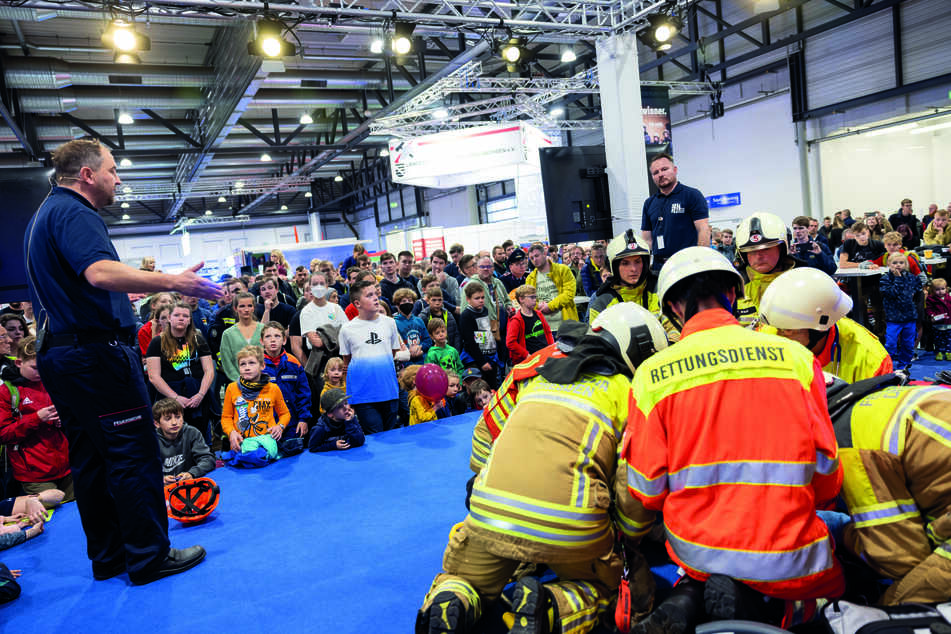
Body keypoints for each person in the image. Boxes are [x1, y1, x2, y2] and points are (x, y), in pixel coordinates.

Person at [25, 138, 216, 584]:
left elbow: (83, 283)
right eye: (112, 170)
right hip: (96, 358)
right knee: (132, 454)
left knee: (90, 459)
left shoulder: (45, 215)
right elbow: (98, 272)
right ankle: (149, 556)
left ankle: (109, 557)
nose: (118, 178)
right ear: (87, 175)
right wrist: (171, 280)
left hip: (66, 355)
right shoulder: (74, 211)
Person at [625, 247, 844, 632]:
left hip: (699, 550)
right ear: (733, 294)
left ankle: (694, 594)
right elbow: (826, 472)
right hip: (791, 553)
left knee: (704, 566)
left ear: (674, 308)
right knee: (839, 580)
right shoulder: (795, 359)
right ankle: (775, 611)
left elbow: (647, 488)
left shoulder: (650, 376)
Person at [416, 303, 667, 634]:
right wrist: (628, 538)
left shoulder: (539, 374)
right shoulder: (629, 391)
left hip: (488, 508)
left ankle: (452, 600)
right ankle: (550, 609)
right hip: (570, 524)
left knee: (464, 576)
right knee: (616, 589)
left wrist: (480, 483)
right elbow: (632, 481)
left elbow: (486, 429)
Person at [830, 382, 951, 604]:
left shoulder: (850, 445)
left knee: (889, 612)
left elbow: (899, 560)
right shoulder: (887, 402)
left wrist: (843, 532)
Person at [758, 268, 893, 383]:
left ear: (819, 330)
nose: (779, 336)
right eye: (778, 328)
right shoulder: (766, 334)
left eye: (787, 330)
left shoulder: (870, 360)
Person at [0, 336, 73, 500]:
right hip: (33, 474)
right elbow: (3, 434)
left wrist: (63, 421)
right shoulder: (7, 392)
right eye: (35, 368)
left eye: (44, 367)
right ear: (19, 363)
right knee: (49, 519)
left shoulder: (53, 383)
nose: (41, 373)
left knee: (75, 514)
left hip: (67, 466)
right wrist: (36, 418)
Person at [338, 280, 402, 434]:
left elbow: (392, 353)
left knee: (391, 436)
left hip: (389, 390)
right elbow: (347, 362)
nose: (376, 298)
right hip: (363, 394)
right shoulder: (347, 329)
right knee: (376, 437)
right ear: (357, 303)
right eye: (369, 295)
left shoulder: (390, 323)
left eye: (376, 294)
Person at [145, 302, 215, 441]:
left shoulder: (198, 339)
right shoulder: (157, 342)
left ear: (190, 320)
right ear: (169, 318)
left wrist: (200, 394)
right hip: (169, 398)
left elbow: (209, 371)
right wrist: (175, 398)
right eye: (177, 315)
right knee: (173, 438)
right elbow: (154, 376)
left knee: (198, 435)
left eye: (185, 316)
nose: (181, 318)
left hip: (197, 395)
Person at [640, 153, 711, 272]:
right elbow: (647, 240)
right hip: (659, 267)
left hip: (688, 265)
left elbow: (703, 230)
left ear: (675, 170)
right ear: (652, 177)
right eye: (656, 173)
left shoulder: (692, 195)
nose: (660, 174)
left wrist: (701, 262)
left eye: (664, 169)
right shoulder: (649, 203)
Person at [732, 212, 801, 327]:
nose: (759, 256)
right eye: (752, 250)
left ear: (781, 248)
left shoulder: (802, 280)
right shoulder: (733, 286)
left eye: (766, 249)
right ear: (743, 254)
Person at [221, 345, 290, 452]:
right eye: (242, 364)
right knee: (250, 454)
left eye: (251, 363)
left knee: (259, 455)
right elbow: (226, 417)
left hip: (267, 440)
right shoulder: (232, 388)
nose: (247, 367)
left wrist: (280, 426)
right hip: (242, 442)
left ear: (262, 366)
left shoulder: (273, 388)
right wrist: (231, 432)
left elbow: (285, 413)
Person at [588, 230, 660, 323]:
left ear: (645, 263)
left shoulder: (660, 289)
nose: (633, 269)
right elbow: (596, 337)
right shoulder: (601, 304)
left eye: (638, 262)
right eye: (625, 263)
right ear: (614, 267)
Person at [260, 322, 312, 440]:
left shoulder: (294, 363)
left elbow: (304, 394)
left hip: (292, 423)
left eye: (277, 336)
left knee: (294, 451)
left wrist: (303, 419)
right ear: (261, 341)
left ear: (284, 340)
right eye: (268, 336)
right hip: (266, 425)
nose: (273, 340)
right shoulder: (257, 365)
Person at [152, 398, 214, 485]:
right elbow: (141, 470)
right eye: (168, 419)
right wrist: (159, 478)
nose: (174, 422)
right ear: (157, 423)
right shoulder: (151, 440)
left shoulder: (192, 433)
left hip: (189, 486)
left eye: (178, 417)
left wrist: (192, 473)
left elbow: (208, 459)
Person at [880, 252, 922, 369]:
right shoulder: (885, 279)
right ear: (889, 264)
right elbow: (891, 293)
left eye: (901, 263)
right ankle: (887, 366)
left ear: (906, 264)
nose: (898, 265)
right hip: (893, 318)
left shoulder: (912, 278)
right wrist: (898, 279)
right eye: (894, 263)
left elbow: (918, 290)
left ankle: (904, 365)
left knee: (908, 344)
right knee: (891, 344)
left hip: (909, 316)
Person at [526, 242, 578, 334]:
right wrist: (538, 306)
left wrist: (550, 306)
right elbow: (529, 301)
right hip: (543, 328)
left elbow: (569, 293)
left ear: (544, 253)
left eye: (537, 256)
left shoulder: (563, 270)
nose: (534, 260)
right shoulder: (530, 278)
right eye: (531, 258)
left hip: (566, 325)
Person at [458, 284, 502, 389]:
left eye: (482, 297)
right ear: (468, 299)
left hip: (490, 355)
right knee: (478, 389)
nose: (481, 300)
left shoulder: (486, 310)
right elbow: (470, 342)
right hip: (475, 358)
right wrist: (482, 362)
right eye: (477, 298)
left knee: (492, 387)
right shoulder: (466, 316)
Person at [220, 292, 264, 385]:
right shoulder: (228, 334)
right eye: (242, 306)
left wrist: (262, 378)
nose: (246, 309)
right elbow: (226, 361)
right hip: (237, 383)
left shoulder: (263, 329)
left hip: (262, 381)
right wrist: (239, 381)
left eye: (249, 305)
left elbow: (268, 356)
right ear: (235, 308)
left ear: (254, 308)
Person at [505, 285, 553, 365]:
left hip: (544, 356)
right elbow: (510, 343)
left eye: (535, 297)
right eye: (532, 297)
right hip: (529, 360)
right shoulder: (516, 320)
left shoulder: (539, 314)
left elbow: (548, 332)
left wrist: (550, 348)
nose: (535, 300)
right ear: (521, 299)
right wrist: (527, 355)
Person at [308, 388, 365, 452]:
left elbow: (360, 441)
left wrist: (350, 422)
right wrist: (333, 445)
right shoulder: (320, 429)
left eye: (346, 403)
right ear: (330, 414)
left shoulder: (350, 420)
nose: (346, 408)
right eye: (340, 407)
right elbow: (313, 447)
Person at [393, 288, 432, 365]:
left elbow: (428, 341)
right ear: (397, 304)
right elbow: (396, 345)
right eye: (404, 301)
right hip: (406, 362)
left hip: (423, 359)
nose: (407, 303)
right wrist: (411, 351)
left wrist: (420, 347)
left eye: (410, 300)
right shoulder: (394, 322)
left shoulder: (419, 320)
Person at [419, 286, 461, 353]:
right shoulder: (423, 317)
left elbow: (456, 335)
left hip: (450, 352)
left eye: (440, 300)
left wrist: (456, 352)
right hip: (432, 353)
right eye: (434, 300)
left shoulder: (448, 314)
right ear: (428, 301)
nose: (437, 303)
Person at [422, 250, 461, 317]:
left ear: (445, 264)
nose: (437, 266)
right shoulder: (422, 281)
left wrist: (442, 285)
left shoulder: (452, 281)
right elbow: (424, 302)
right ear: (431, 263)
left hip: (448, 316)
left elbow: (456, 303)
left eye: (441, 263)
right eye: (435, 262)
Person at [137, 292, 175, 357]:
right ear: (153, 305)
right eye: (163, 301)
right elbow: (151, 355)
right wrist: (154, 332)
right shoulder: (145, 330)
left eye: (171, 302)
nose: (168, 304)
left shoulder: (176, 326)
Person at [926, 278, 951, 360]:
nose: (940, 291)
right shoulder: (931, 299)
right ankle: (938, 352)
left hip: (948, 323)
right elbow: (929, 309)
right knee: (938, 340)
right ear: (933, 290)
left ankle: (948, 352)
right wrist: (932, 315)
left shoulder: (949, 298)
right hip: (937, 323)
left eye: (942, 289)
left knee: (949, 339)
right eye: (937, 289)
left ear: (946, 289)